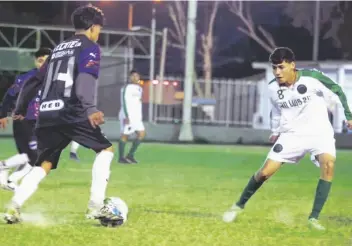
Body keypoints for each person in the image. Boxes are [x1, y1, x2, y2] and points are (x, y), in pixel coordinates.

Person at [4, 4, 119, 224]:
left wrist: (20, 108)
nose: (99, 33)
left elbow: (33, 81)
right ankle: (95, 207)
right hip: (71, 111)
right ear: (94, 27)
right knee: (105, 149)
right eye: (99, 29)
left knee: (43, 164)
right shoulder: (90, 47)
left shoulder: (58, 48)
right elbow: (85, 79)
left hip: (46, 114)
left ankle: (13, 207)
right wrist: (90, 108)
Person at [222, 47, 352, 230]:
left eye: (281, 67)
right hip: (292, 135)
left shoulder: (312, 77)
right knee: (265, 172)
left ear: (292, 65)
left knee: (328, 165)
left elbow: (337, 89)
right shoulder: (273, 88)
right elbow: (276, 111)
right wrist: (275, 131)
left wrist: (349, 115)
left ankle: (313, 218)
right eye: (274, 67)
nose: (277, 72)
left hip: (319, 133)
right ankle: (238, 205)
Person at [0, 48, 51, 191]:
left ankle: (10, 180)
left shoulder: (54, 82)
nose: (43, 64)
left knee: (31, 157)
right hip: (24, 121)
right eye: (40, 61)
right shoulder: (26, 78)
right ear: (36, 62)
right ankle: (3, 166)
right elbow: (9, 97)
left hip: (40, 123)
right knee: (34, 155)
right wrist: (3, 114)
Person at [118, 70, 145, 164]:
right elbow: (124, 102)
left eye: (137, 76)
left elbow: (138, 102)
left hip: (137, 117)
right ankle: (121, 158)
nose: (135, 78)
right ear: (130, 77)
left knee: (141, 134)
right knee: (125, 135)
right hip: (127, 116)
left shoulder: (140, 89)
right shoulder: (126, 88)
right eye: (133, 76)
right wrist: (126, 116)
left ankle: (130, 155)